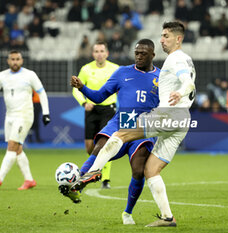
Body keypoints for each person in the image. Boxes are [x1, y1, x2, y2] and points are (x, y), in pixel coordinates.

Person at [71, 21, 196, 227]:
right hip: (182, 119)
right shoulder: (187, 60)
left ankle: (92, 173)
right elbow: (190, 83)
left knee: (121, 135)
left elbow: (187, 83)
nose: (162, 39)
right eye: (162, 36)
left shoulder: (175, 59)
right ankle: (167, 218)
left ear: (178, 39)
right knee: (150, 170)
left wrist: (179, 92)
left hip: (167, 115)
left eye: (165, 36)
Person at [67, 39, 160, 225]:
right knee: (99, 147)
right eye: (137, 53)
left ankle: (127, 212)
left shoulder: (161, 77)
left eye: (143, 53)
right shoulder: (122, 72)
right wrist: (82, 88)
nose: (139, 56)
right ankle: (77, 185)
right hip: (120, 122)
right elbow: (100, 96)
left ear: (153, 55)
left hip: (143, 129)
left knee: (138, 171)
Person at [0, 50, 50, 190]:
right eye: (12, 59)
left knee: (12, 145)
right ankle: (29, 180)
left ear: (22, 60)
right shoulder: (2, 76)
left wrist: (46, 112)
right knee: (18, 148)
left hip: (24, 115)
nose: (15, 62)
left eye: (17, 59)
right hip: (10, 116)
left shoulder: (29, 75)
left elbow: (41, 92)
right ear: (8, 61)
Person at [72, 41, 118, 189]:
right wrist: (84, 103)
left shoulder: (115, 69)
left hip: (108, 110)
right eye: (96, 51)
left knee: (106, 144)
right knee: (89, 146)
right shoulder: (86, 69)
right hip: (91, 110)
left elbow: (120, 90)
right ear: (93, 54)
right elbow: (76, 89)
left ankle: (105, 178)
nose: (99, 54)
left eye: (102, 51)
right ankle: (92, 172)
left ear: (107, 53)